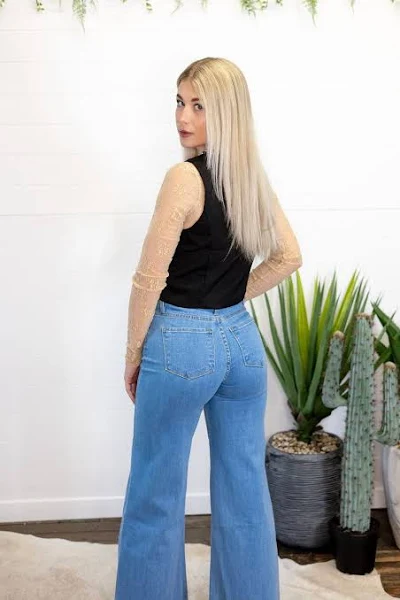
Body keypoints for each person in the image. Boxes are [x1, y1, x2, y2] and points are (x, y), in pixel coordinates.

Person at [114, 57, 302, 600]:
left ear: (226, 112)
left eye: (199, 106)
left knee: (154, 492)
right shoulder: (251, 179)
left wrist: (133, 353)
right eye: (179, 102)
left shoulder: (184, 178)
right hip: (242, 346)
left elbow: (149, 278)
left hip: (180, 346)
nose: (183, 117)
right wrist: (230, 296)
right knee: (245, 492)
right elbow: (289, 256)